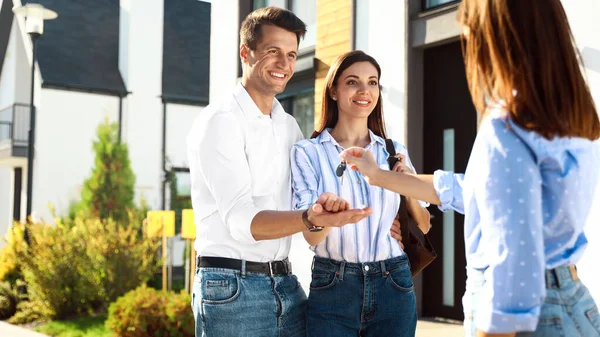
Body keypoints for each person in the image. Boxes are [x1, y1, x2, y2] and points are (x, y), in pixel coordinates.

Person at [340, 1, 600, 337]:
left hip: (525, 318)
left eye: (470, 26)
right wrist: (378, 176)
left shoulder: (508, 127)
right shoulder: (568, 116)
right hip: (571, 303)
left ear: (493, 36)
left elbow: (513, 259)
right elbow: (476, 192)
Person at [186, 7, 373, 337]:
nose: (285, 65)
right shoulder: (221, 122)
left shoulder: (287, 126)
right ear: (246, 53)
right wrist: (311, 218)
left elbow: (314, 192)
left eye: (291, 54)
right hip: (231, 288)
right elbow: (243, 221)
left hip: (285, 283)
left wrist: (383, 220)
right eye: (273, 52)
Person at [290, 50, 431, 337]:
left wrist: (407, 186)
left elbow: (424, 225)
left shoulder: (394, 152)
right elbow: (311, 235)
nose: (364, 91)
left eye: (373, 82)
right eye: (353, 82)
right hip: (333, 285)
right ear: (333, 90)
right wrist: (329, 216)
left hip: (393, 283)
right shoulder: (308, 153)